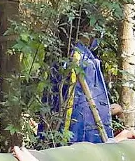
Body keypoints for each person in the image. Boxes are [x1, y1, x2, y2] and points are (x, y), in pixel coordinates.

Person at [40, 11, 118, 143]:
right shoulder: (81, 59)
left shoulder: (58, 57)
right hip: (79, 139)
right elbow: (82, 109)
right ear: (87, 29)